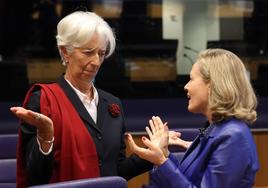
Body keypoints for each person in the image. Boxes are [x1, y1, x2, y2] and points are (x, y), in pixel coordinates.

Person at [10, 11, 155, 187]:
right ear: (65, 52)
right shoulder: (43, 99)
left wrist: (153, 152)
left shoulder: (113, 104)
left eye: (101, 53)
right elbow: (35, 178)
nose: (96, 61)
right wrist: (46, 137)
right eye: (88, 52)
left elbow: (114, 171)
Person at [127, 48, 259, 188]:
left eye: (191, 79)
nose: (186, 86)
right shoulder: (214, 128)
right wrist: (164, 154)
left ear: (212, 85)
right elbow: (189, 177)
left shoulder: (233, 137)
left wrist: (161, 161)